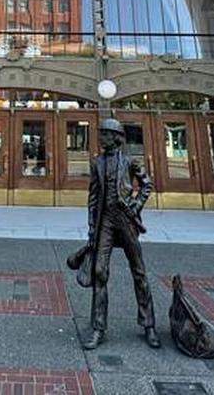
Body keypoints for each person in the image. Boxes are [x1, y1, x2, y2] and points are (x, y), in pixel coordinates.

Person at [75, 116, 160, 350]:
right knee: (100, 272)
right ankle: (98, 328)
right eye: (100, 133)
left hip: (126, 220)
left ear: (116, 137)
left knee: (139, 271)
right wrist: (92, 226)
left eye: (104, 134)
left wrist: (136, 205)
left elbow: (147, 184)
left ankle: (149, 325)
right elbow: (92, 197)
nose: (101, 137)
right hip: (105, 221)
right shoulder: (97, 162)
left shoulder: (130, 161)